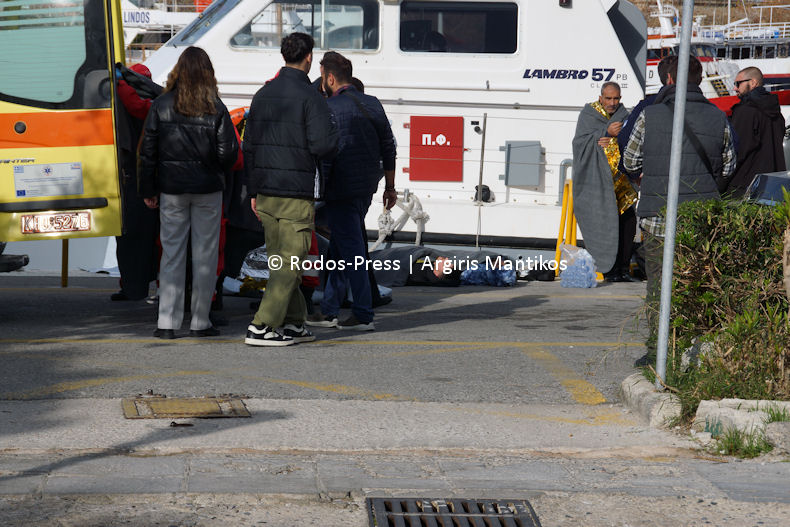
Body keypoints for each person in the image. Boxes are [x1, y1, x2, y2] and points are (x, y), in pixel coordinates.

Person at [622, 55, 736, 365]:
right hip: (701, 218)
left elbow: (630, 162)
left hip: (657, 214)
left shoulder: (649, 115)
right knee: (696, 282)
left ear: (669, 80)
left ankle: (659, 352)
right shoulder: (719, 117)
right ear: (699, 80)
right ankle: (695, 351)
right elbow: (729, 166)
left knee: (659, 284)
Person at [243, 33, 339, 346]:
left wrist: (253, 191)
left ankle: (294, 323)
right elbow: (323, 145)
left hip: (267, 193)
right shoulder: (310, 97)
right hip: (296, 193)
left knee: (280, 263)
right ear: (309, 58)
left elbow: (250, 146)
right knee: (291, 263)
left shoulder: (263, 94)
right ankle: (262, 326)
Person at [138, 46, 239, 339]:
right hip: (208, 190)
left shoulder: (161, 104)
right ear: (208, 74)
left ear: (178, 71)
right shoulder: (216, 107)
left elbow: (148, 152)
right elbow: (229, 154)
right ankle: (199, 321)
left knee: (171, 254)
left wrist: (148, 189)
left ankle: (167, 322)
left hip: (171, 190)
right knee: (205, 256)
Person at [305, 51, 396, 331]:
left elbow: (328, 153)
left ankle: (363, 313)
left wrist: (318, 193)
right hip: (367, 188)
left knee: (352, 251)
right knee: (340, 248)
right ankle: (330, 309)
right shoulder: (372, 103)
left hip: (340, 190)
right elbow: (388, 148)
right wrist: (390, 187)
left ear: (330, 78)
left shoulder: (331, 108)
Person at [572, 82, 637, 282]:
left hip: (621, 184)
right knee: (603, 224)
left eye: (616, 98)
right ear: (600, 97)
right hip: (598, 182)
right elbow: (579, 143)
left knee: (627, 224)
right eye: (608, 98)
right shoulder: (588, 115)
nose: (612, 103)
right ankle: (609, 270)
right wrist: (604, 133)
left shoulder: (625, 117)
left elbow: (633, 141)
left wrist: (615, 138)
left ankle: (624, 268)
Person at [112, 63, 161, 302]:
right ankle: (146, 286)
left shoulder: (132, 102)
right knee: (154, 240)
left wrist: (119, 82)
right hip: (154, 180)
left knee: (131, 238)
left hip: (134, 178)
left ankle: (132, 287)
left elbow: (135, 105)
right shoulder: (159, 101)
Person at [727, 66, 786, 198]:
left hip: (745, 185)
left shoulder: (745, 110)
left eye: (738, 83)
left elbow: (738, 150)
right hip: (773, 184)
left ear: (753, 83)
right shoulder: (776, 112)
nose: (735, 88)